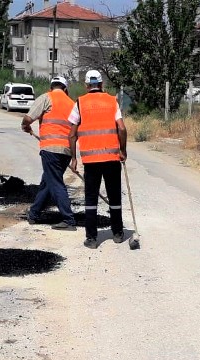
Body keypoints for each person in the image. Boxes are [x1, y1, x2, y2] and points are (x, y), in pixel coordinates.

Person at [68, 70, 128, 249]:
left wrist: (73, 158)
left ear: (87, 86)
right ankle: (117, 233)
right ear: (101, 84)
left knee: (91, 199)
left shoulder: (80, 102)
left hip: (91, 161)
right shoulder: (112, 101)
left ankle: (92, 238)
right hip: (111, 158)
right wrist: (123, 150)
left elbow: (72, 134)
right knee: (114, 196)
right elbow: (122, 129)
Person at [22, 75, 76, 230]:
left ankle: (68, 219)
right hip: (66, 150)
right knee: (48, 182)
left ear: (51, 87)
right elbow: (75, 131)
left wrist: (25, 126)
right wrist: (73, 156)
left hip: (50, 149)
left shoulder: (47, 98)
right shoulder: (72, 104)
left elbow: (28, 118)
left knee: (55, 183)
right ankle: (34, 214)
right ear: (65, 89)